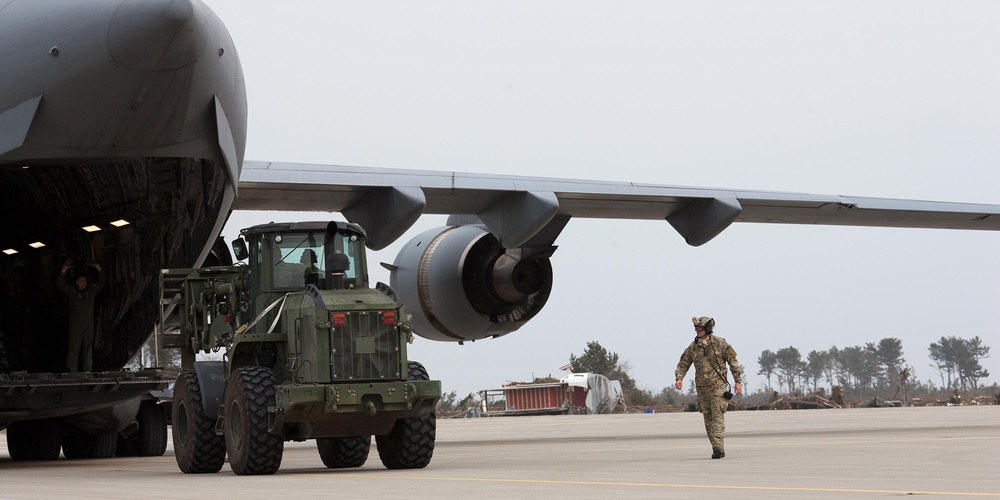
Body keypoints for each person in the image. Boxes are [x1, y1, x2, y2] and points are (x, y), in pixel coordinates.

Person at [674, 316, 743, 459]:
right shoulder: (693, 347)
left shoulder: (720, 343)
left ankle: (718, 446)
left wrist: (738, 381)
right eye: (696, 328)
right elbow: (683, 363)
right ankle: (716, 447)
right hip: (702, 389)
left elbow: (733, 361)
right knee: (708, 418)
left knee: (717, 414)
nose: (697, 331)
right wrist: (679, 378)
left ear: (708, 329)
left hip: (718, 387)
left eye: (700, 328)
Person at [57, 259, 105, 372]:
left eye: (85, 280)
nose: (84, 282)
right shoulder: (72, 292)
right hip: (76, 325)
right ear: (76, 282)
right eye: (81, 280)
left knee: (88, 348)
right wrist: (64, 269)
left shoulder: (91, 291)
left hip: (88, 324)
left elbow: (102, 281)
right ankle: (72, 370)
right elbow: (60, 284)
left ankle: (87, 370)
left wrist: (98, 267)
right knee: (74, 347)